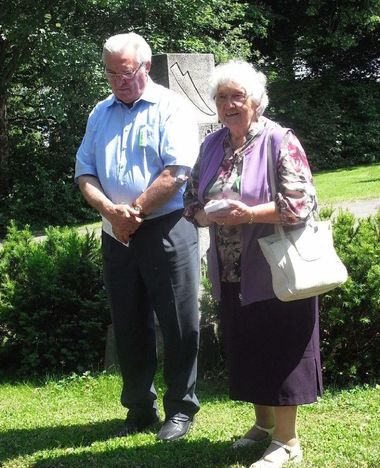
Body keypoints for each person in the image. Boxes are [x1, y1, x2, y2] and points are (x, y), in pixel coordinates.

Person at [184, 60, 322, 467]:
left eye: (237, 97)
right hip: (231, 271)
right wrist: (208, 214)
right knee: (248, 348)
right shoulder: (212, 145)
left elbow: (300, 205)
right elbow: (190, 202)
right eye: (221, 97)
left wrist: (248, 214)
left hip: (277, 269)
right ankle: (263, 427)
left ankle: (287, 441)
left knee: (280, 350)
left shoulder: (280, 141)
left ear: (256, 103)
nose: (228, 105)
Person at [75, 32, 200, 442]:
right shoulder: (100, 112)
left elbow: (177, 170)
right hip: (116, 231)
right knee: (128, 321)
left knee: (178, 321)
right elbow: (85, 173)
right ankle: (139, 408)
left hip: (166, 226)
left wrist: (136, 211)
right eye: (111, 74)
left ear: (145, 67)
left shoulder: (172, 107)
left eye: (125, 74)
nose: (118, 82)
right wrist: (110, 212)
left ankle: (180, 409)